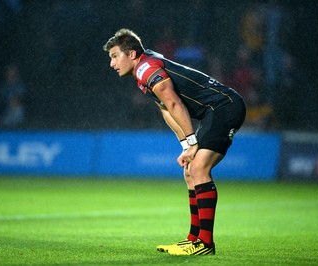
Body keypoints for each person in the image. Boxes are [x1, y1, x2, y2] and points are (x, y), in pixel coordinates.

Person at [103, 29, 246, 256]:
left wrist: (192, 142)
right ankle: (193, 238)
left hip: (224, 107)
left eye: (114, 56)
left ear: (131, 54)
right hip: (213, 111)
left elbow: (175, 104)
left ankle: (205, 243)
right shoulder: (144, 71)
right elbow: (166, 110)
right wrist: (186, 145)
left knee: (199, 168)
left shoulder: (146, 68)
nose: (111, 63)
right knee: (190, 170)